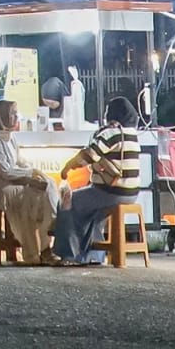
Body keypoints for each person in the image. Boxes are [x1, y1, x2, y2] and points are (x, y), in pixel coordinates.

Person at [51, 96, 143, 265]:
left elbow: (89, 154)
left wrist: (67, 167)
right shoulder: (132, 134)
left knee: (67, 200)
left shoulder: (112, 133)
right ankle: (92, 256)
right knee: (90, 211)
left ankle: (68, 254)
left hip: (111, 192)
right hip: (131, 194)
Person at [0, 100, 60, 266]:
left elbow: (20, 162)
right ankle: (39, 246)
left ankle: (48, 232)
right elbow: (5, 171)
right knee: (30, 196)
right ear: (2, 117)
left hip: (11, 182)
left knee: (46, 183)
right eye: (12, 114)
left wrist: (34, 172)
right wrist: (30, 175)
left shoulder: (10, 138)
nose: (17, 117)